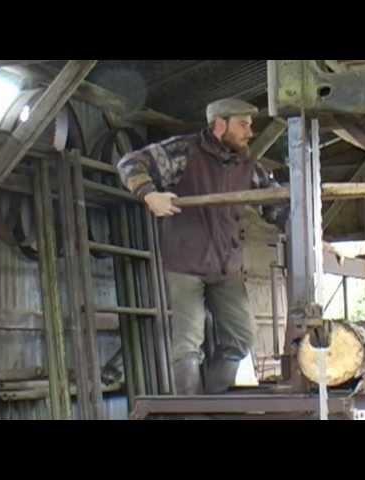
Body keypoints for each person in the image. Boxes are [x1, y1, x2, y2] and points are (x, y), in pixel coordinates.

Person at [117, 98, 287, 395]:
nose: (250, 132)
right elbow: (130, 163)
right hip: (186, 263)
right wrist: (148, 194)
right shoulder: (184, 151)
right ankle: (191, 413)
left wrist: (313, 235)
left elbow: (277, 206)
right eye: (243, 125)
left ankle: (212, 401)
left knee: (240, 338)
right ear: (220, 125)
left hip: (227, 266)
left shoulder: (248, 167)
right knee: (187, 343)